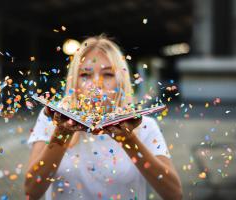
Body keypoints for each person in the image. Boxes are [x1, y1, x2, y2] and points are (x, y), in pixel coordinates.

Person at [24, 34, 182, 200]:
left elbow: (174, 194)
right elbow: (31, 191)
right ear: (74, 82)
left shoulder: (145, 126)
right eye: (85, 75)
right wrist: (62, 133)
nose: (96, 84)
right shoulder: (51, 120)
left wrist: (128, 140)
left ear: (120, 82)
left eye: (108, 74)